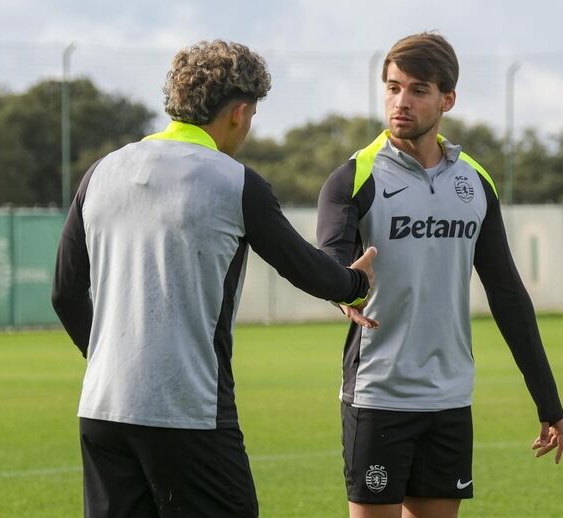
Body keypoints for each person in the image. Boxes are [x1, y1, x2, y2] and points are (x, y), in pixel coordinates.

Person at [52, 40, 377, 518]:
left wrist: (104, 356)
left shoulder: (101, 173)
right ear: (239, 112)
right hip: (190, 411)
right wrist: (355, 284)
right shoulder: (234, 181)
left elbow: (64, 294)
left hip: (102, 410)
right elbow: (308, 270)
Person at [317, 32, 563, 518]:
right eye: (392, 88)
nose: (400, 102)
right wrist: (342, 288)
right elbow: (330, 259)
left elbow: (508, 295)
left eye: (417, 90)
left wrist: (548, 402)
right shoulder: (353, 179)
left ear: (447, 98)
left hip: (450, 399)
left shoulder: (474, 181)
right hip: (379, 394)